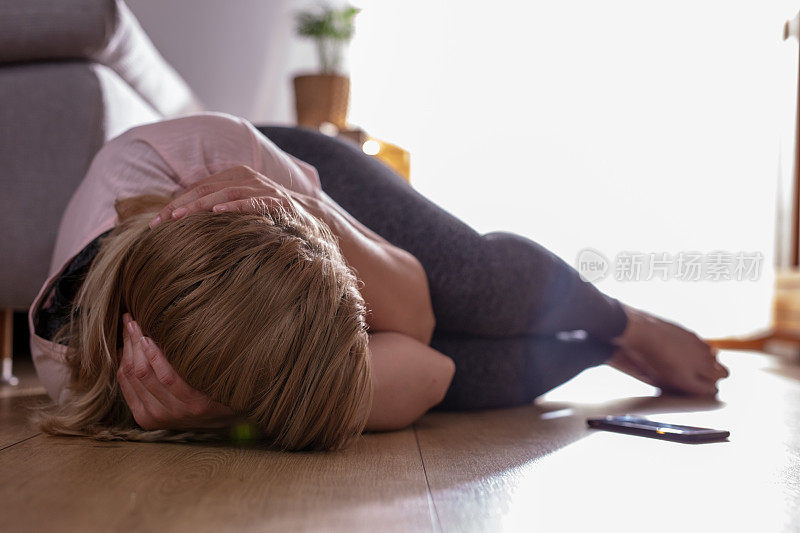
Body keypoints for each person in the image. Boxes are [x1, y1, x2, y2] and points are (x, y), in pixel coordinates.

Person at [29, 112, 729, 451]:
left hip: (293, 179)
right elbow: (433, 366)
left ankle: (623, 321)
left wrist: (309, 217)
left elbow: (418, 315)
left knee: (475, 283)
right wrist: (227, 415)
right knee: (472, 380)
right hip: (259, 319)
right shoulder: (87, 379)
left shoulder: (209, 157)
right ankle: (599, 349)